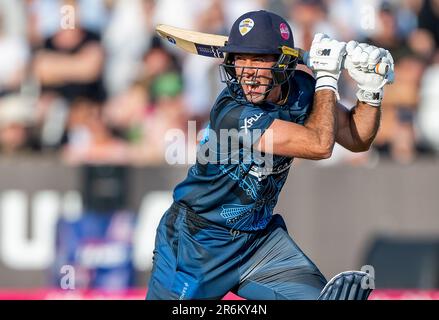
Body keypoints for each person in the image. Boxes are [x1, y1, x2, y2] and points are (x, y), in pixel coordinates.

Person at [146, 10, 393, 300]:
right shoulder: (232, 111)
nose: (247, 70)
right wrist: (327, 77)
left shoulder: (302, 91)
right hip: (197, 241)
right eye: (240, 58)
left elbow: (356, 139)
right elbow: (319, 145)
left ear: (284, 62)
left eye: (259, 58)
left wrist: (370, 91)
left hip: (258, 243)